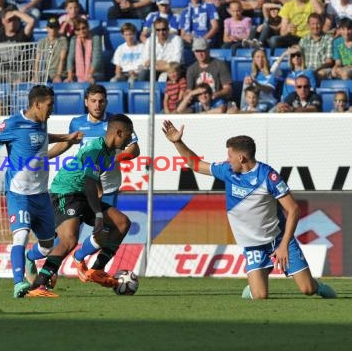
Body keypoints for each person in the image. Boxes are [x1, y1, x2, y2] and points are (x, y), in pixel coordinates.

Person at [161, 119, 337, 300]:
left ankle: (318, 285)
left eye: (230, 156)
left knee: (307, 290)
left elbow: (293, 210)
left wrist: (284, 245)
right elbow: (195, 165)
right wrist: (177, 142)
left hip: (277, 239)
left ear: (241, 158)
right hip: (253, 245)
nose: (227, 160)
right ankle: (257, 279)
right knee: (259, 296)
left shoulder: (268, 176)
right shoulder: (227, 171)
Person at [0, 85, 82, 298]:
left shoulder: (42, 122)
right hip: (18, 193)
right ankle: (19, 283)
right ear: (37, 104)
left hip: (41, 195)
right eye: (50, 105)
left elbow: (42, 138)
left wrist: (66, 137)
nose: (52, 109)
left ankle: (29, 258)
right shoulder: (12, 123)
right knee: (21, 235)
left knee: (46, 247)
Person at [29, 114, 135, 297]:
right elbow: (87, 181)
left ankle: (97, 270)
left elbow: (94, 177)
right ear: (118, 133)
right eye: (128, 135)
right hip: (65, 192)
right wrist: (99, 214)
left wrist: (99, 195)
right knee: (69, 240)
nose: (130, 139)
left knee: (122, 223)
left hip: (83, 194)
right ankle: (37, 286)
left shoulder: (109, 152)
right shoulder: (95, 150)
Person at [186, 37, 233, 104]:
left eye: (202, 50)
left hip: (217, 101)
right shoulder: (191, 69)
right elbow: (189, 90)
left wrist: (216, 94)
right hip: (199, 102)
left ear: (208, 50)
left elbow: (228, 89)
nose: (200, 54)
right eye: (197, 51)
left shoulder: (220, 65)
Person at [137, 17, 183, 82]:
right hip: (154, 70)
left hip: (172, 71)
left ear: (168, 29)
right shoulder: (149, 41)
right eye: (158, 30)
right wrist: (165, 63)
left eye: (163, 29)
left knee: (169, 75)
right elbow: (145, 62)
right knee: (143, 73)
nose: (161, 32)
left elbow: (176, 62)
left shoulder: (176, 39)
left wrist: (153, 62)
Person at [65, 18, 103, 83]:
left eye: (83, 28)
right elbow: (70, 58)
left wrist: (90, 74)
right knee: (66, 82)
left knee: (91, 82)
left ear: (88, 27)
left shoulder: (95, 38)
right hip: (79, 74)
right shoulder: (74, 39)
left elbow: (97, 59)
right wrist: (69, 76)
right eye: (78, 29)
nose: (81, 31)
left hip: (96, 73)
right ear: (75, 31)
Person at [32, 17, 68, 83]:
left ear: (58, 28)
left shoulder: (63, 40)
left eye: (55, 27)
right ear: (47, 28)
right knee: (34, 82)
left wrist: (58, 75)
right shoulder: (42, 42)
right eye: (51, 27)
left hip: (60, 72)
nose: (53, 29)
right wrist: (36, 76)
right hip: (46, 73)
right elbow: (37, 61)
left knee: (58, 81)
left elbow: (62, 59)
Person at [298, 13, 334, 80]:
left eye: (318, 23)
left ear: (322, 24)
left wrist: (315, 70)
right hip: (306, 70)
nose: (315, 26)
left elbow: (329, 62)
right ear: (308, 25)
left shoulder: (328, 39)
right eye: (313, 24)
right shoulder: (303, 40)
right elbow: (299, 59)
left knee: (320, 73)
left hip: (322, 69)